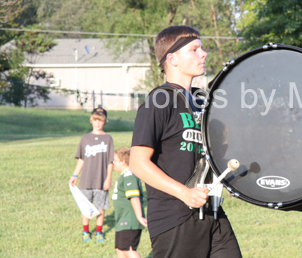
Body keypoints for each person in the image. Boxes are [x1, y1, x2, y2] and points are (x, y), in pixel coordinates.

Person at [129, 25, 241, 258]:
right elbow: (138, 163)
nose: (204, 53)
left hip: (213, 213)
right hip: (175, 217)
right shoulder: (159, 101)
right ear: (172, 58)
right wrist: (184, 193)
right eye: (194, 49)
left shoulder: (203, 102)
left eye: (202, 48)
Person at [69, 107, 114, 243]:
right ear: (91, 121)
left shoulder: (108, 139)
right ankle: (86, 231)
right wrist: (75, 175)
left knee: (100, 207)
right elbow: (81, 159)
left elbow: (110, 162)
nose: (98, 123)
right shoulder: (85, 138)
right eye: (95, 120)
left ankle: (99, 232)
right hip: (86, 180)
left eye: (100, 121)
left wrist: (108, 179)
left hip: (101, 180)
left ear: (104, 122)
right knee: (86, 207)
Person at [112, 147, 147, 258]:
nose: (113, 163)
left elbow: (134, 198)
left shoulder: (129, 176)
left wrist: (139, 217)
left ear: (123, 162)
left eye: (115, 160)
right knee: (120, 250)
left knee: (129, 250)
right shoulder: (124, 176)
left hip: (129, 221)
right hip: (122, 220)